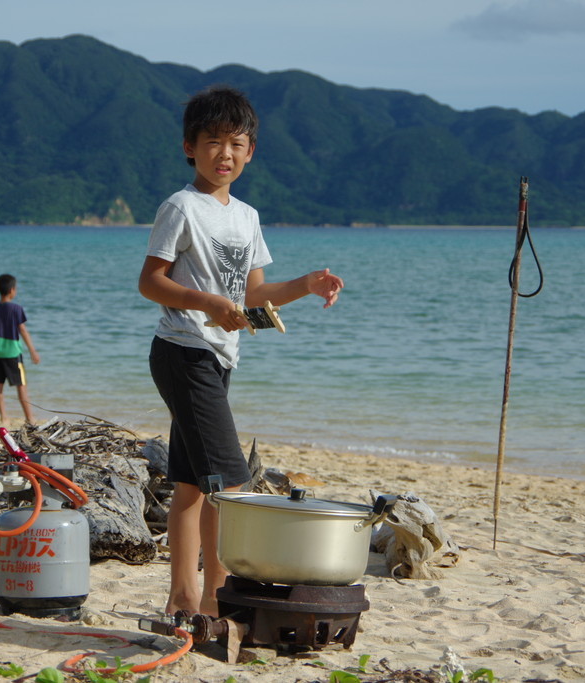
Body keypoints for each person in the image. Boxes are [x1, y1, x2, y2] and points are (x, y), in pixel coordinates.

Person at [138, 85, 344, 617]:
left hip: (219, 356)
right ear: (189, 147)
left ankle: (184, 601)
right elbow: (151, 282)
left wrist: (307, 283)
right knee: (231, 484)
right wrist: (206, 300)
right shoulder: (181, 207)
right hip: (182, 351)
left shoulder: (247, 217)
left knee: (189, 486)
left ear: (250, 151)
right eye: (212, 142)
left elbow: (253, 295)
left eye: (235, 144)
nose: (223, 154)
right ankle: (216, 600)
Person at [0, 273, 41, 425]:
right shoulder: (16, 309)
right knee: (21, 386)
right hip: (13, 352)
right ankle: (29, 418)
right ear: (12, 290)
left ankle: (4, 417)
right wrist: (32, 351)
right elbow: (23, 330)